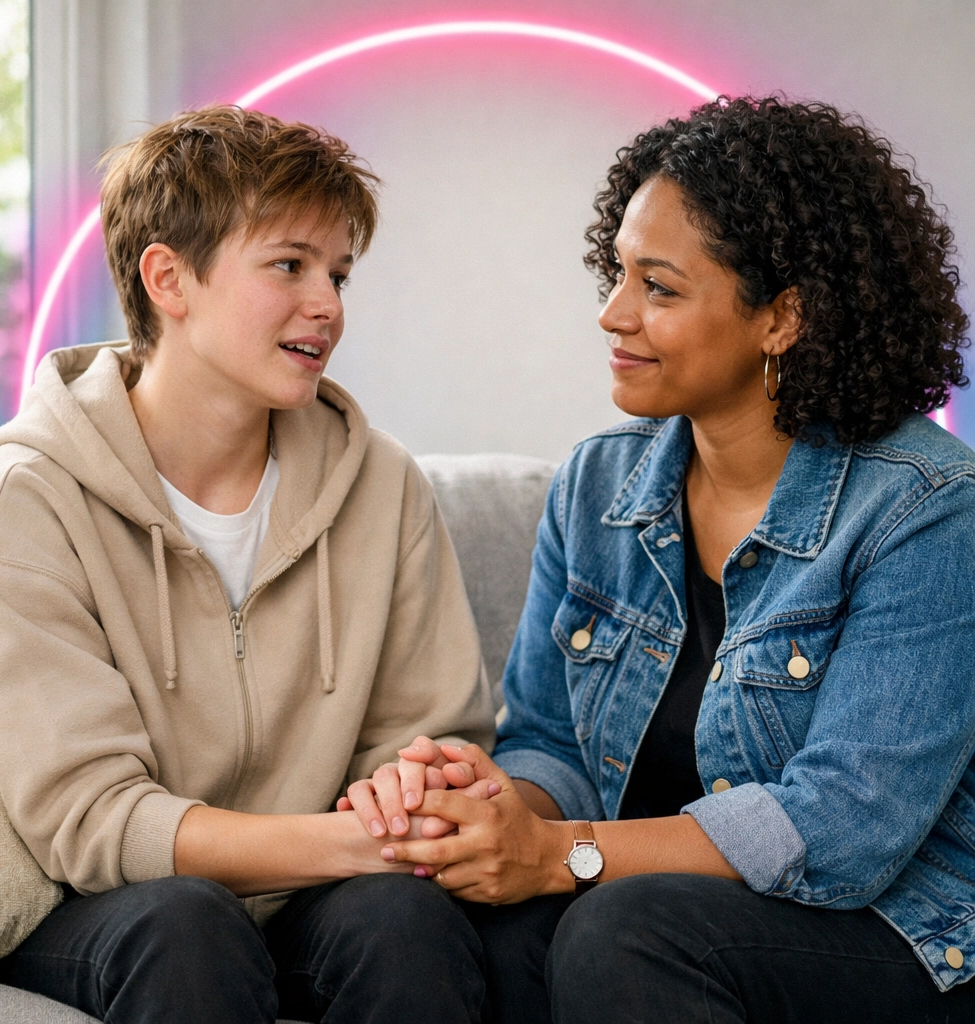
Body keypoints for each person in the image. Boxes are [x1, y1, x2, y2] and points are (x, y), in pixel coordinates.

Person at [371, 97, 975, 1022]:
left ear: (783, 317)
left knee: (624, 929)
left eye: (659, 288)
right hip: (653, 913)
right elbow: (553, 744)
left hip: (896, 935)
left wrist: (560, 854)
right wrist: (486, 806)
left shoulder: (929, 509)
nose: (614, 315)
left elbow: (846, 825)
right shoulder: (597, 485)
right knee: (434, 918)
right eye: (617, 275)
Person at [0, 105, 496, 1024]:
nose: (327, 304)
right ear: (169, 277)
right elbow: (93, 823)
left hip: (310, 892)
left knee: (404, 921)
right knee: (188, 926)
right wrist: (357, 843)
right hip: (100, 903)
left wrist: (412, 787)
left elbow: (432, 734)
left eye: (337, 273)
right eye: (289, 264)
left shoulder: (382, 483)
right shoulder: (24, 500)